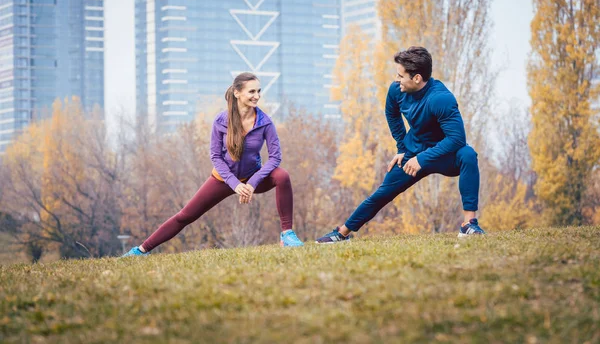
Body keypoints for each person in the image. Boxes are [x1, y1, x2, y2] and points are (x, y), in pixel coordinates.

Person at [316, 46, 485, 243]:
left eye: (400, 75)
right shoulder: (397, 90)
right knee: (383, 192)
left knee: (468, 154)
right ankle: (341, 233)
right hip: (412, 152)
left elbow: (457, 139)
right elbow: (392, 114)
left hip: (442, 155)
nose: (397, 79)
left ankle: (469, 225)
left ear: (417, 78)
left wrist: (422, 159)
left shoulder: (441, 99)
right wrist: (402, 148)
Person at [123, 72, 303, 256]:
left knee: (282, 176)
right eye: (251, 91)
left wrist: (251, 183)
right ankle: (140, 250)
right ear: (237, 93)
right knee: (185, 216)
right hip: (224, 179)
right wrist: (235, 184)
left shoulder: (265, 122)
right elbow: (216, 156)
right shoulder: (220, 121)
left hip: (252, 177)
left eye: (258, 91)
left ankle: (287, 234)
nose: (256, 96)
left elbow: (275, 157)